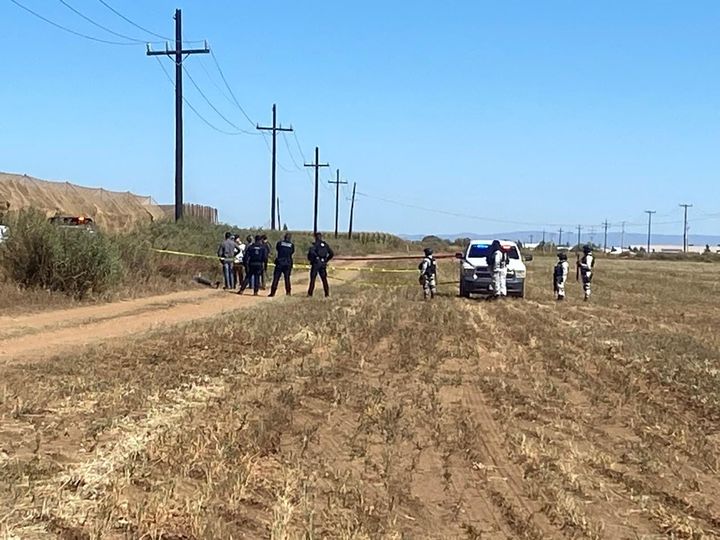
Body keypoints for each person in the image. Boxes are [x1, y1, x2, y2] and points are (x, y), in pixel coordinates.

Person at [307, 232, 334, 297]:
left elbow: (311, 252)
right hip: (323, 263)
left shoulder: (315, 245)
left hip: (316, 263)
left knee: (313, 279)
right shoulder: (325, 245)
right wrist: (326, 260)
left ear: (316, 237)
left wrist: (314, 258)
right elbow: (331, 253)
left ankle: (310, 294)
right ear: (321, 237)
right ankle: (327, 294)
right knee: (324, 279)